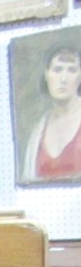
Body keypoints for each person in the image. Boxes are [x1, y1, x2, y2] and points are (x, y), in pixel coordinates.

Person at [22, 44, 81, 182]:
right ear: (47, 75)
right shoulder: (38, 131)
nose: (63, 79)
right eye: (57, 70)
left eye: (71, 70)